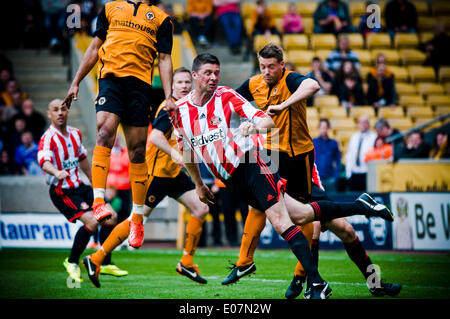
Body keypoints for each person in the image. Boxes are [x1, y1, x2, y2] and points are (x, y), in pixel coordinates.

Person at [171, 52, 393, 299]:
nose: (266, 71)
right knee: (298, 215)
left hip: (293, 162)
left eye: (271, 66)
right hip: (261, 164)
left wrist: (269, 114)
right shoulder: (241, 88)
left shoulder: (289, 81)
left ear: (281, 65)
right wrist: (200, 183)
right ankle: (359, 207)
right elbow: (195, 139)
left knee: (329, 228)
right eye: (262, 66)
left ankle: (319, 281)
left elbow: (309, 88)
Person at [63, 0, 176, 250]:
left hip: (140, 86)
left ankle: (136, 218)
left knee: (137, 151)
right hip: (111, 80)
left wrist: (168, 97)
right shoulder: (110, 9)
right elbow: (94, 46)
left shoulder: (161, 19)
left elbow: (165, 59)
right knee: (104, 132)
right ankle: (99, 200)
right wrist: (76, 81)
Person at [82, 67, 210, 288]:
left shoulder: (189, 108)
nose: (184, 86)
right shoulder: (169, 108)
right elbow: (156, 137)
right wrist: (176, 154)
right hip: (154, 175)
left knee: (201, 209)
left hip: (173, 173)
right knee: (135, 220)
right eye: (179, 82)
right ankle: (96, 258)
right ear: (172, 86)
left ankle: (186, 262)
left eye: (187, 82)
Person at [37, 98, 125, 283]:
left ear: (68, 111)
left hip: (80, 187)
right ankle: (72, 262)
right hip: (62, 191)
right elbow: (44, 162)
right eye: (55, 110)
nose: (60, 112)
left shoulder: (75, 134)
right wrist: (56, 171)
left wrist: (97, 186)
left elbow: (83, 160)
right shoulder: (48, 138)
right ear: (49, 114)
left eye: (63, 109)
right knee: (93, 221)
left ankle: (105, 262)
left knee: (112, 216)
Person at [286, 165, 402, 299]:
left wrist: (323, 204)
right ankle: (310, 285)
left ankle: (375, 284)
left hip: (311, 192)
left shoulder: (302, 148)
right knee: (315, 226)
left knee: (348, 231)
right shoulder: (276, 147)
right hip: (289, 195)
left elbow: (313, 174)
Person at [345, 115, 377, 191]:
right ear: (358, 124)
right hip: (354, 173)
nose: (363, 124)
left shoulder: (374, 137)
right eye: (361, 122)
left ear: (369, 124)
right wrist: (348, 173)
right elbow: (349, 155)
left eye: (365, 122)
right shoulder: (354, 137)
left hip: (367, 173)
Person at [313, 118, 341, 192]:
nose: (323, 130)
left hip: (330, 179)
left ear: (328, 128)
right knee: (317, 202)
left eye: (325, 128)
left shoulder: (334, 143)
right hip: (316, 179)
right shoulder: (313, 142)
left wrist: (336, 177)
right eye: (322, 127)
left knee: (331, 200)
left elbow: (338, 161)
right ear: (319, 128)